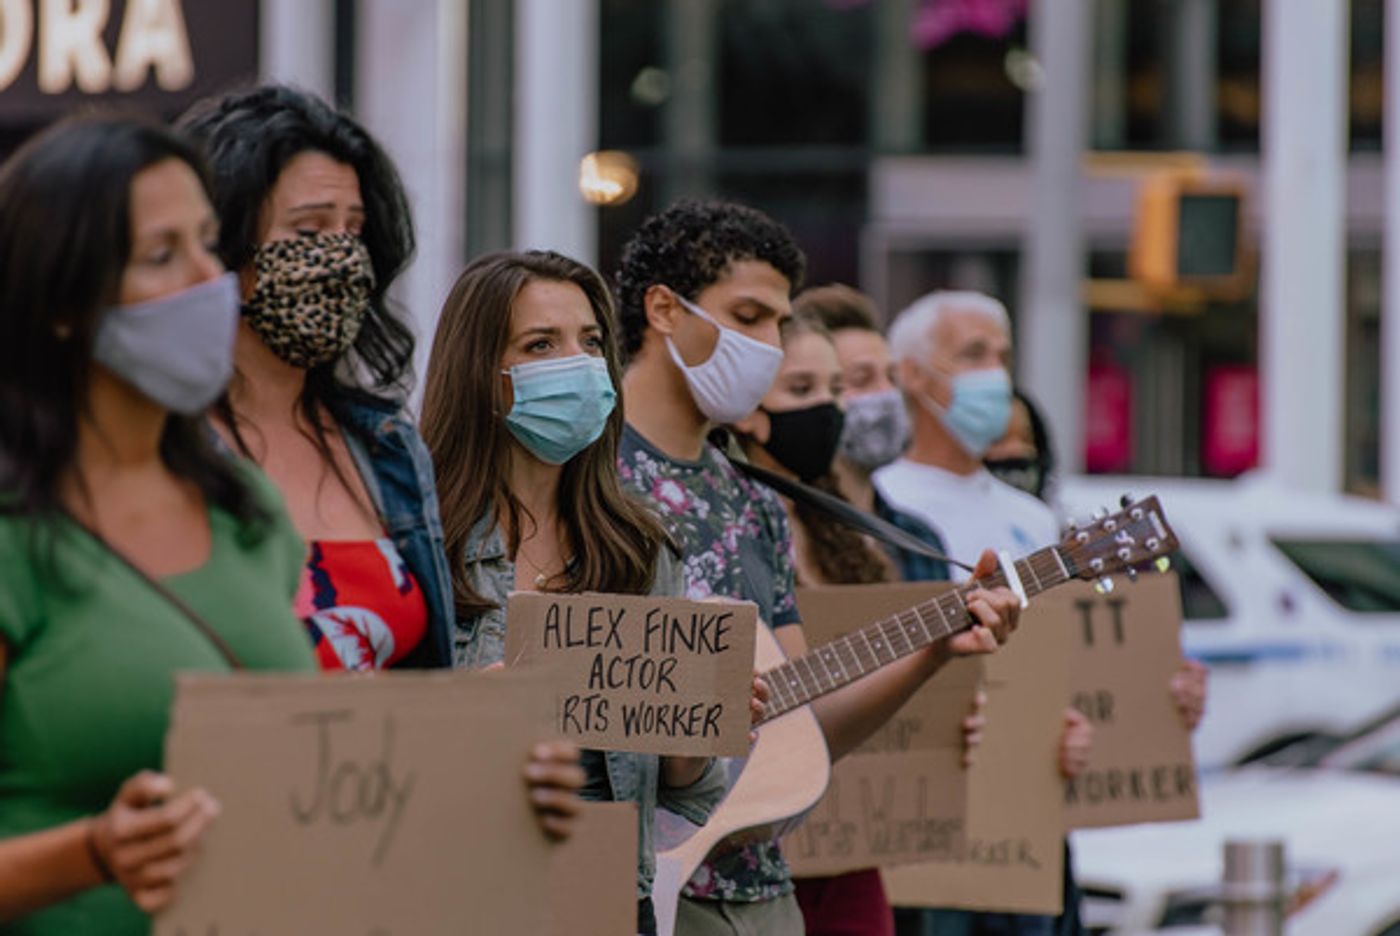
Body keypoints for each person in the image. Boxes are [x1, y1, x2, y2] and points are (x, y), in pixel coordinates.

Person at [614, 199, 1022, 935]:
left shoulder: (756, 501)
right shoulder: (586, 482)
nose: (768, 345)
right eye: (748, 316)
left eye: (778, 322)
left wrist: (931, 652)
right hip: (632, 889)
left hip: (761, 888)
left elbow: (800, 727)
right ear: (664, 310)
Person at [0, 115, 318, 935]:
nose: (211, 280)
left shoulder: (247, 511)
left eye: (208, 242)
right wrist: (94, 853)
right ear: (62, 302)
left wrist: (490, 771)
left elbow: (308, 763)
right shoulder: (15, 540)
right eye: (161, 254)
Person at [419, 250, 741, 936]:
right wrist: (463, 716)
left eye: (591, 342)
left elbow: (687, 794)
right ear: (480, 371)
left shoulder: (640, 548)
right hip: (454, 898)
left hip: (605, 901)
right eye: (542, 344)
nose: (580, 363)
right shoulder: (418, 543)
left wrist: (697, 724)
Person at [177, 85, 454, 673]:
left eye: (353, 231)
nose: (342, 258)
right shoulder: (161, 445)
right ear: (223, 249)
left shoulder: (386, 446)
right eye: (308, 231)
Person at [730, 311, 988, 936]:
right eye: (802, 389)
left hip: (849, 852)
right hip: (742, 846)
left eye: (835, 390)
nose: (828, 409)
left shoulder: (855, 535)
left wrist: (954, 721)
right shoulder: (729, 524)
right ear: (746, 410)